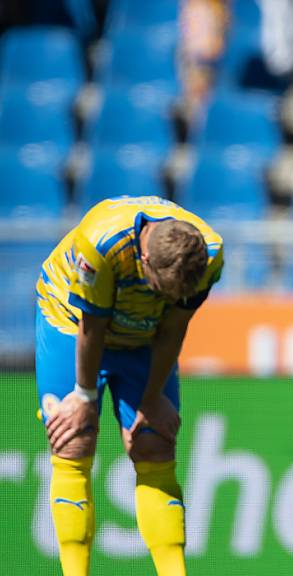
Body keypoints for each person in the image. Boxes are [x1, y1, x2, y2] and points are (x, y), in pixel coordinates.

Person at [36, 196, 224, 576]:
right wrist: (84, 396)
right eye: (161, 288)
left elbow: (174, 328)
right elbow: (93, 326)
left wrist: (152, 399)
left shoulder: (209, 254)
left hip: (144, 332)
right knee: (74, 438)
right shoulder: (101, 246)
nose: (170, 298)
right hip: (71, 320)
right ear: (145, 262)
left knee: (153, 441)